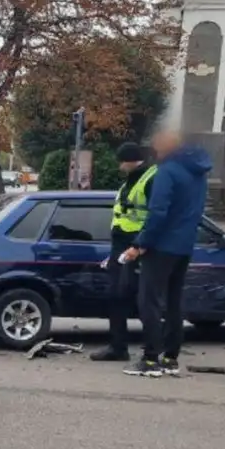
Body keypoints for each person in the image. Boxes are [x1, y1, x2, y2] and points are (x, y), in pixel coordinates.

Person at [121, 131, 212, 377]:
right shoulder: (198, 173)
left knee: (148, 301)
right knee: (173, 302)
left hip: (161, 246)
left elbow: (158, 212)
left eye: (157, 147)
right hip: (184, 246)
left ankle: (151, 359)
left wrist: (140, 244)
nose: (154, 151)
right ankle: (171, 358)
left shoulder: (168, 172)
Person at [90, 142, 157, 362]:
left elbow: (155, 216)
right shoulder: (130, 181)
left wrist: (138, 246)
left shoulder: (150, 179)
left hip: (138, 246)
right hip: (122, 246)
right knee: (116, 296)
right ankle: (118, 347)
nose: (119, 167)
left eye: (121, 162)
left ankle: (151, 352)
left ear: (129, 160)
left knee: (143, 299)